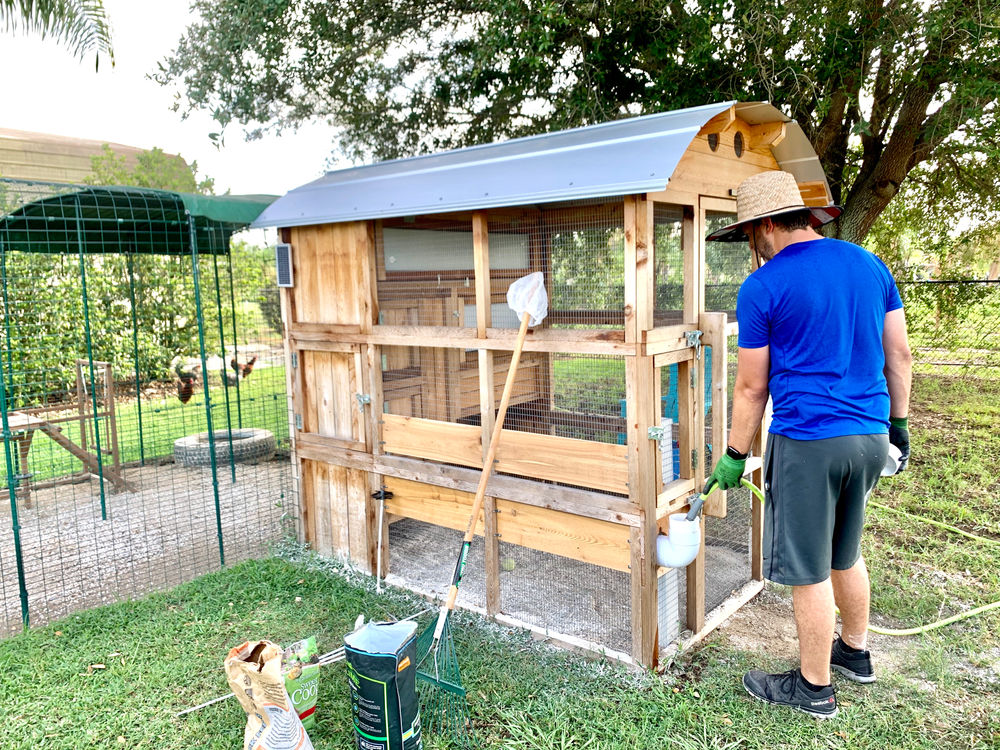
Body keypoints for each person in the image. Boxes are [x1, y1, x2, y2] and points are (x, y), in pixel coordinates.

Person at [704, 170, 912, 720]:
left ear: (765, 225)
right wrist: (900, 426)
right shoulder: (869, 265)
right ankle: (856, 653)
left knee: (809, 568)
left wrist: (731, 453)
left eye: (751, 234)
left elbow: (752, 385)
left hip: (809, 442)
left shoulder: (765, 286)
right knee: (846, 550)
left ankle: (814, 688)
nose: (753, 246)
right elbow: (900, 357)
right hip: (870, 437)